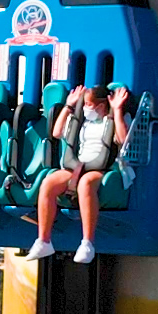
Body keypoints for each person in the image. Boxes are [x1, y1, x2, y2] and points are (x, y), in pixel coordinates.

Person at [27, 85, 128, 264]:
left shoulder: (110, 121)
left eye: (89, 104)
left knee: (85, 184)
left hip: (102, 170)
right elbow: (56, 133)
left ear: (101, 105)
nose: (86, 108)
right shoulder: (84, 123)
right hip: (78, 166)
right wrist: (69, 106)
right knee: (49, 182)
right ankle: (44, 240)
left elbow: (122, 139)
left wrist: (117, 110)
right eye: (85, 104)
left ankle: (87, 243)